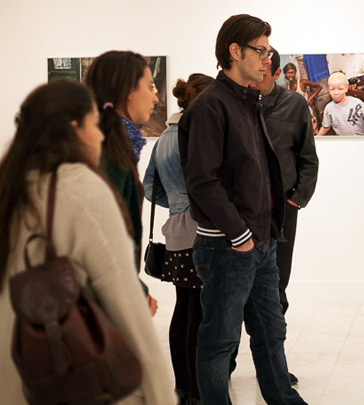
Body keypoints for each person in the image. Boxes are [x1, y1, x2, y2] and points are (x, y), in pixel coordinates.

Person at [0, 81, 175, 404]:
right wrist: (161, 395)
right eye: (95, 125)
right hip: (67, 376)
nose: (100, 135)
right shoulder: (80, 189)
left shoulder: (8, 185)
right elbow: (126, 305)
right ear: (73, 128)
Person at [179, 14, 306, 404]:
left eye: (268, 51)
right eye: (260, 50)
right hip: (228, 246)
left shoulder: (248, 101)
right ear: (234, 51)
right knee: (219, 340)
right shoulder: (211, 106)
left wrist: (262, 232)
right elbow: (202, 180)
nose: (267, 59)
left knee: (271, 332)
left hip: (260, 242)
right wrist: (240, 235)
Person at [251, 47, 319, 386]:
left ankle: (275, 366)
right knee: (235, 290)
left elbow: (308, 158)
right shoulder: (235, 103)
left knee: (276, 287)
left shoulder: (294, 105)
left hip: (283, 214)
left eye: (263, 69)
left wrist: (296, 201)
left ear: (276, 72)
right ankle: (228, 361)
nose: (256, 74)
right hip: (242, 213)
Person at [144, 73, 213, 405]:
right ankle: (198, 391)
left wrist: (175, 203)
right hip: (199, 228)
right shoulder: (194, 134)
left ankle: (183, 387)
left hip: (175, 228)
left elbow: (149, 187)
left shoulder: (164, 137)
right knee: (198, 311)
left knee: (184, 306)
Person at [84, 50, 160, 316]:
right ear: (128, 90)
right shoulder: (106, 154)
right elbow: (101, 239)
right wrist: (134, 290)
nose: (156, 97)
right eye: (149, 86)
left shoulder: (114, 145)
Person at [317, 71, 364, 136]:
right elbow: (326, 127)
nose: (336, 93)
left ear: (346, 88)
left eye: (340, 89)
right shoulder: (328, 108)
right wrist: (316, 139)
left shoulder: (359, 104)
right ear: (328, 90)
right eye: (332, 89)